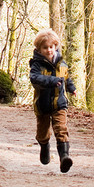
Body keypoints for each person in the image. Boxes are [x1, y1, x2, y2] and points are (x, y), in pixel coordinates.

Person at [29, 28, 75, 172]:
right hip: (42, 104)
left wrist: (71, 88)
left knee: (61, 129)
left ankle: (64, 157)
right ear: (39, 49)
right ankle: (44, 146)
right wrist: (51, 80)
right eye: (45, 48)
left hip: (59, 103)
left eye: (51, 47)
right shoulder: (36, 64)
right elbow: (34, 78)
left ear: (55, 46)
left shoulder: (61, 63)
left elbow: (66, 77)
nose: (49, 50)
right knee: (43, 132)